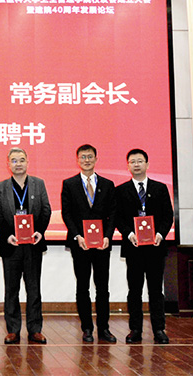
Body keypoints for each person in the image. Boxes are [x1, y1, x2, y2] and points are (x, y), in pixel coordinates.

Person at [0, 148, 51, 345]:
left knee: (34, 288)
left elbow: (46, 210)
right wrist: (7, 235)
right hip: (11, 244)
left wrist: (39, 231)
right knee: (11, 289)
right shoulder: (0, 187)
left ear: (27, 162)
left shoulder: (38, 184)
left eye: (22, 160)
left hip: (33, 243)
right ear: (8, 164)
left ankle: (35, 330)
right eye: (14, 160)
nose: (18, 164)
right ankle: (13, 330)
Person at [115, 149, 174, 344]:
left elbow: (168, 216)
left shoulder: (160, 188)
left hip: (155, 247)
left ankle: (159, 329)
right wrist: (129, 234)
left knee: (156, 290)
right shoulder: (121, 190)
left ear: (147, 164)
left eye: (140, 161)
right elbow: (118, 218)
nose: (136, 164)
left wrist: (160, 234)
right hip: (134, 247)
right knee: (134, 290)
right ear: (128, 166)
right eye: (132, 161)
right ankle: (135, 330)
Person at [61, 144, 117, 344]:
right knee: (82, 287)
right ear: (77, 160)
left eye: (90, 156)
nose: (87, 160)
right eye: (83, 157)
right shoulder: (69, 184)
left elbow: (113, 213)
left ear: (96, 159)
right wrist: (77, 236)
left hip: (102, 244)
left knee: (103, 287)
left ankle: (104, 328)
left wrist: (108, 236)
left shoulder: (108, 184)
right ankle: (86, 328)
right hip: (81, 244)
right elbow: (67, 213)